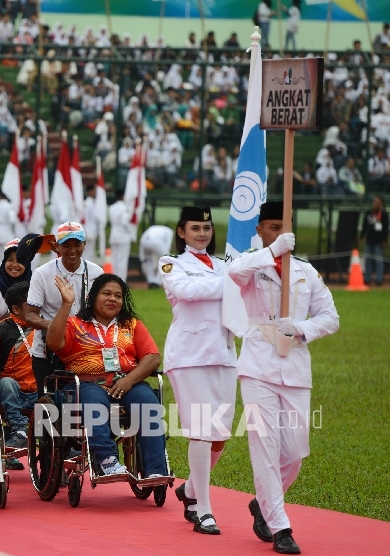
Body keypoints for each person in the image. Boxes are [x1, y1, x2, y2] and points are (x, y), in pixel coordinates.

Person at [227, 201, 339, 554]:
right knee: (265, 447)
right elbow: (232, 273)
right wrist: (271, 252)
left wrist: (302, 328)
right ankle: (280, 527)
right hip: (258, 365)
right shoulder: (251, 266)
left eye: (282, 226)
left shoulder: (306, 272)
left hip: (295, 366)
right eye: (271, 226)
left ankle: (262, 502)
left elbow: (330, 317)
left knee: (293, 453)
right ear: (260, 230)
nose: (277, 232)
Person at [159, 207, 238, 535]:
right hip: (188, 356)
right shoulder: (171, 262)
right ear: (182, 232)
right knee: (201, 432)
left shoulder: (224, 266)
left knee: (219, 436)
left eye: (206, 227)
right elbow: (187, 292)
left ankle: (190, 488)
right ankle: (203, 509)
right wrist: (231, 284)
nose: (202, 233)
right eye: (195, 228)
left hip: (223, 353)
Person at [46, 273, 168, 478]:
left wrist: (129, 380)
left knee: (148, 402)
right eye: (107, 294)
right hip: (86, 383)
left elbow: (153, 357)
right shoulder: (75, 324)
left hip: (126, 382)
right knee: (94, 400)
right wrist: (67, 304)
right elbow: (53, 343)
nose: (113, 299)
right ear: (93, 297)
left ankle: (156, 471)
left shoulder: (131, 325)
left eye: (118, 296)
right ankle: (107, 460)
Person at [25, 223, 103, 396]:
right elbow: (29, 315)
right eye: (66, 245)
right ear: (57, 247)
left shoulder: (97, 273)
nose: (72, 250)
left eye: (77, 245)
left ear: (84, 245)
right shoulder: (42, 273)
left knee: (85, 399)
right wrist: (53, 326)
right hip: (47, 352)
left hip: (85, 349)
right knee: (50, 404)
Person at [0, 281, 37, 452]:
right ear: (16, 309)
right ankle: (19, 430)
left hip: (39, 394)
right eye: (32, 303)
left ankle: (64, 442)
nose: (38, 306)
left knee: (61, 390)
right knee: (6, 383)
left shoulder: (46, 327)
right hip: (12, 394)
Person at [0, 238, 31, 328]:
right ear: (4, 262)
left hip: (30, 339)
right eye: (10, 259)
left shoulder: (35, 287)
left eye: (19, 260)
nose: (14, 264)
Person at [360, 196, 388, 285]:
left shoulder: (384, 214)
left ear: (381, 204)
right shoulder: (368, 213)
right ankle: (367, 278)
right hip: (369, 240)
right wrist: (361, 237)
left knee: (378, 261)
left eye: (377, 202)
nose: (375, 204)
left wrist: (384, 240)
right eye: (374, 202)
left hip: (379, 241)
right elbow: (364, 225)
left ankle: (378, 279)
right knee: (368, 260)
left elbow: (386, 228)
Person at [0, 192, 19, 274]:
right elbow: (12, 220)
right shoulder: (10, 207)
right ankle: (6, 275)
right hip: (7, 232)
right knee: (8, 256)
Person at [108, 190, 131, 281]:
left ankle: (115, 279)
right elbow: (125, 222)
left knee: (115, 259)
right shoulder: (124, 208)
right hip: (123, 235)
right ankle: (121, 280)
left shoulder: (112, 207)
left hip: (114, 234)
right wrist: (131, 230)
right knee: (122, 260)